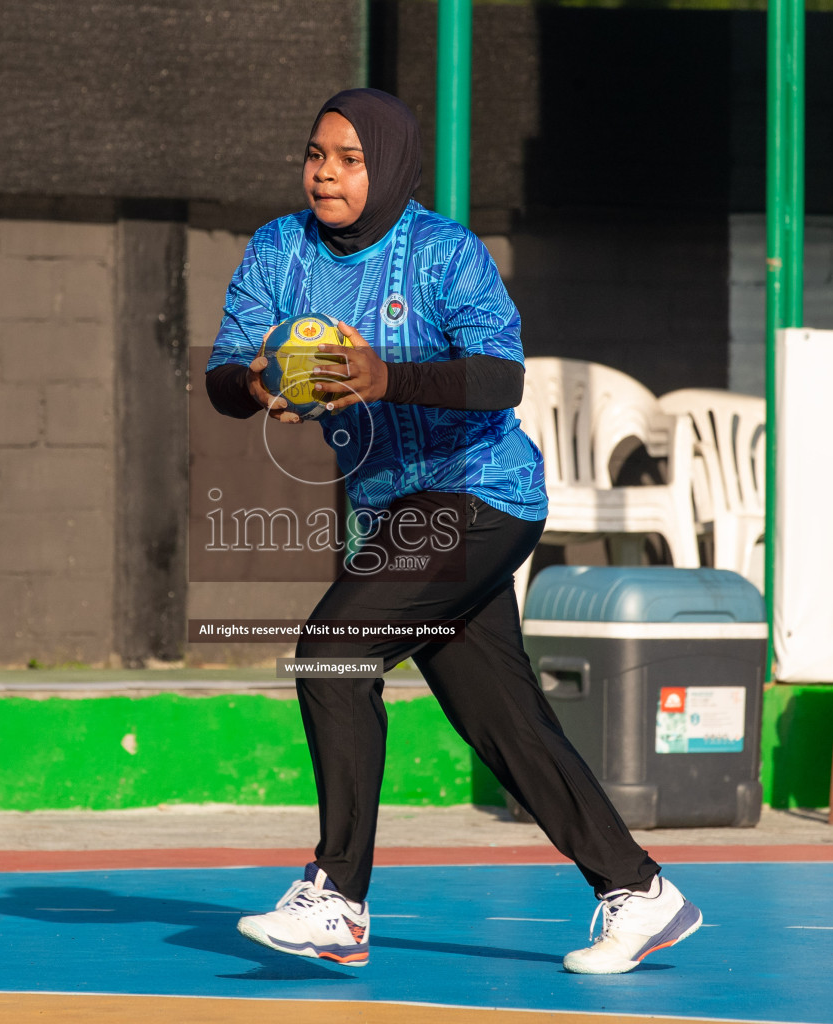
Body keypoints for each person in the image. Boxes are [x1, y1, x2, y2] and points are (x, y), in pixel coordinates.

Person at [203, 88, 701, 975]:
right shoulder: (280, 250)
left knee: (332, 652)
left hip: (483, 497)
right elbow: (224, 374)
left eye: (349, 159)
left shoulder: (443, 253)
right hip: (394, 514)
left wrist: (386, 376)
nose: (326, 173)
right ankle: (639, 891)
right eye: (316, 154)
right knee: (503, 721)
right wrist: (258, 387)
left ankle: (340, 899)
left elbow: (500, 379)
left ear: (388, 165)